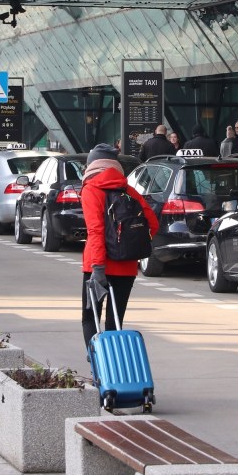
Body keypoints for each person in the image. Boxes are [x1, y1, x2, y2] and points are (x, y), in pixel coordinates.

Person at [80, 144, 159, 350]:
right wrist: (129, 245)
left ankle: (97, 363)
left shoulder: (91, 190)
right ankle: (114, 363)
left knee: (90, 318)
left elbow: (95, 231)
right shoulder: (130, 191)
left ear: (92, 165)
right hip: (126, 267)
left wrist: (98, 268)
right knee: (115, 321)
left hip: (97, 266)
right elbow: (152, 224)